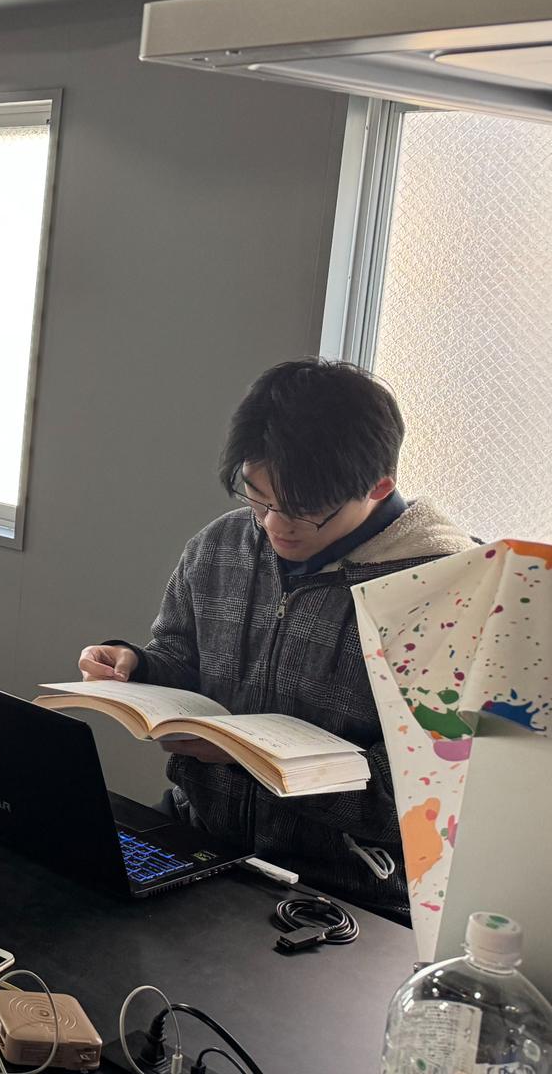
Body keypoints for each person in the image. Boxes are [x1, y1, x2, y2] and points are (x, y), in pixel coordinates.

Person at [77, 359, 475, 914]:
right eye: (258, 496)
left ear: (379, 485)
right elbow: (181, 660)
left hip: (349, 893)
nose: (272, 525)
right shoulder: (222, 545)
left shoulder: (448, 595)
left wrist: (252, 758)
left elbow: (421, 799)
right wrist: (136, 666)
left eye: (303, 510)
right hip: (200, 841)